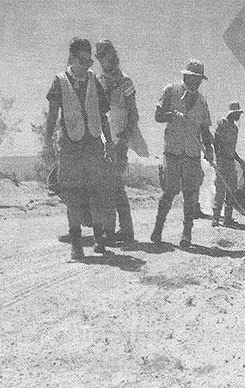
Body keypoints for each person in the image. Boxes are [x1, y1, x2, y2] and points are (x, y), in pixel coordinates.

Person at [42, 37, 115, 260]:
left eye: (89, 61)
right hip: (71, 146)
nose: (87, 66)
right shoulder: (60, 81)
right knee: (72, 194)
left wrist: (109, 142)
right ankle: (76, 244)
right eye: (83, 61)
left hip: (93, 144)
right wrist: (47, 142)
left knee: (95, 191)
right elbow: (53, 116)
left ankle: (99, 238)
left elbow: (103, 116)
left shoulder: (94, 81)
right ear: (73, 59)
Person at [150, 60, 214, 247]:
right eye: (193, 78)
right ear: (185, 76)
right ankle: (158, 230)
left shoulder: (202, 101)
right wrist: (173, 115)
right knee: (170, 191)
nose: (196, 82)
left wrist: (209, 150)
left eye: (199, 79)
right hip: (173, 150)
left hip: (193, 153)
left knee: (190, 194)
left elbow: (205, 130)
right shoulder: (171, 90)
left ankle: (186, 234)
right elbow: (158, 116)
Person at [95, 39, 147, 243]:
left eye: (105, 54)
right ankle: (117, 230)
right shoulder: (98, 79)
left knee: (113, 183)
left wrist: (126, 134)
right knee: (107, 184)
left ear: (112, 54)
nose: (102, 58)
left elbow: (133, 112)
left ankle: (121, 231)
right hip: (103, 135)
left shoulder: (125, 80)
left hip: (120, 136)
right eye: (99, 55)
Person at [211, 101, 245, 227]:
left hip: (230, 161)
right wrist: (217, 158)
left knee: (232, 190)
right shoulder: (222, 123)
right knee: (220, 189)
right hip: (222, 161)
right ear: (233, 113)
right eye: (238, 113)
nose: (239, 116)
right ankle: (215, 218)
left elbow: (232, 150)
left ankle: (228, 217)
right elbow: (216, 142)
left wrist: (241, 162)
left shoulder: (235, 128)